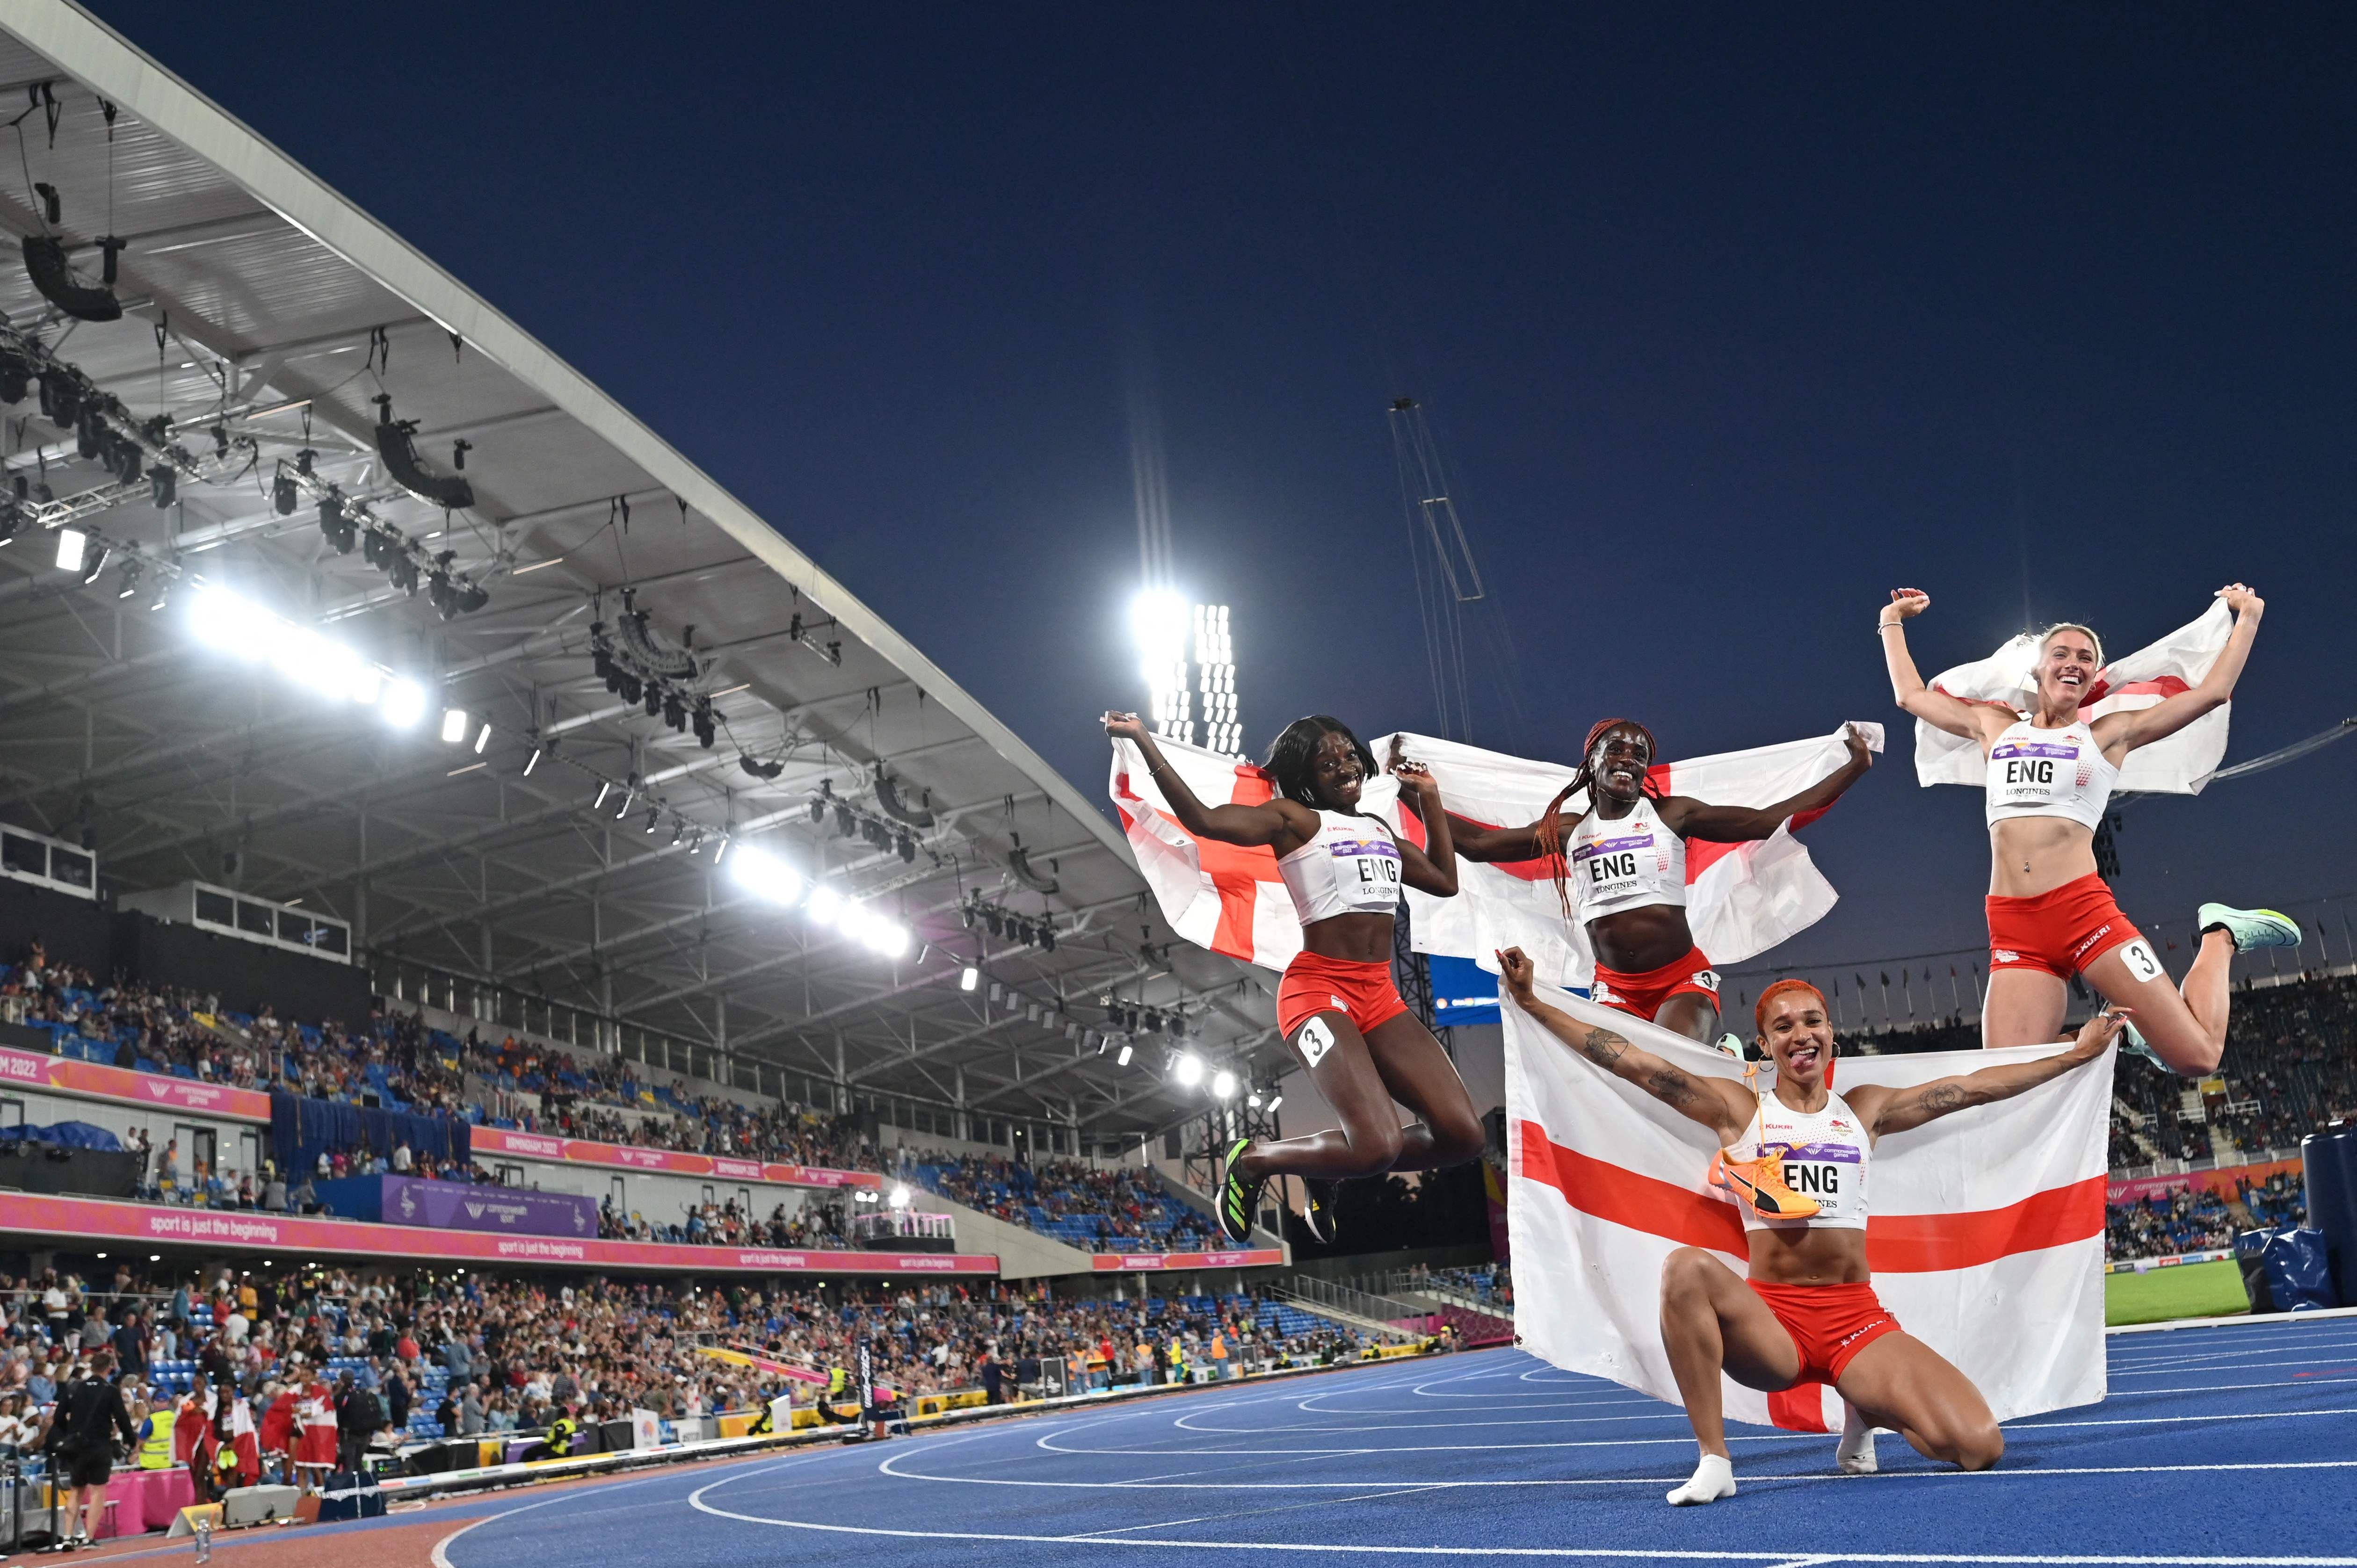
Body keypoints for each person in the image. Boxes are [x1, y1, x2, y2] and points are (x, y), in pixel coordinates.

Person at [1497, 949, 2125, 1505]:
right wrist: (1533, 1004)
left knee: (1976, 1447)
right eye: (1783, 1025)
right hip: (1773, 1326)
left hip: (1855, 1319)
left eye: (1811, 1021)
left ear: (1831, 1035)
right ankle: (1714, 1460)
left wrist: (2072, 1056)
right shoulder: (1738, 1107)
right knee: (1682, 1268)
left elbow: (1969, 1089)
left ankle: (1863, 1408)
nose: (1800, 1033)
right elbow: (1632, 1063)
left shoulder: (1865, 1110)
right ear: (1764, 1045)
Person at [1878, 585, 2297, 1071]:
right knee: (2005, 1082)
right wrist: (1890, 618)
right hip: (2013, 924)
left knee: (2198, 1057)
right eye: (2060, 653)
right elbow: (1909, 695)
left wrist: (2248, 615)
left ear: (2093, 676)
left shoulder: (2106, 733)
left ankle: (2220, 933)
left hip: (2082, 914)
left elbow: (2210, 692)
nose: (2072, 661)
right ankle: (2120, 1037)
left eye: (2085, 656)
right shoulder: (1992, 726)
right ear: (2036, 669)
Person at [1105, 711, 1482, 1245]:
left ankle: (1326, 1163)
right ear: (1305, 777)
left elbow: (1444, 881)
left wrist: (1428, 800)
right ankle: (1256, 1160)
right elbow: (1205, 821)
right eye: (1326, 762)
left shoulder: (1377, 829)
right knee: (1376, 1147)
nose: (1344, 767)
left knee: (1462, 1136)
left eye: (1349, 754)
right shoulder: (1293, 820)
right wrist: (1144, 742)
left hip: (1379, 995)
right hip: (1317, 992)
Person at [1400, 720, 1873, 1046]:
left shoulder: (1672, 814)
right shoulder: (1567, 830)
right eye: (1617, 749)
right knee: (1623, 1089)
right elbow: (1479, 844)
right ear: (1592, 762)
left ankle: (1718, 1057)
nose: (1628, 758)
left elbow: (1767, 819)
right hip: (1613, 987)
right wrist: (1414, 791)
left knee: (1668, 1067)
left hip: (1679, 977)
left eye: (1639, 753)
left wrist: (1851, 767)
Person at [42, 1348, 136, 1547]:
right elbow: (123, 1419)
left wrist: (73, 1432)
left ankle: (67, 1536)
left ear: (92, 1367)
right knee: (97, 1492)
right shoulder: (110, 1390)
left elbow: (58, 1417)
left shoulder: (74, 1388)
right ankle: (88, 1538)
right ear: (109, 1369)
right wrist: (131, 1440)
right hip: (100, 1446)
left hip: (78, 1447)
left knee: (76, 1490)